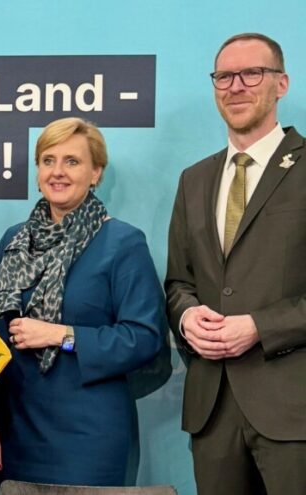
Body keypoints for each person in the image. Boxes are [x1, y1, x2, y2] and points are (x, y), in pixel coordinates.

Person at [0, 117, 166, 486]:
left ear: (96, 173)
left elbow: (144, 338)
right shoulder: (14, 241)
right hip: (16, 431)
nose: (57, 172)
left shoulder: (123, 243)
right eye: (48, 160)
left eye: (72, 162)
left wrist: (61, 334)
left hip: (90, 435)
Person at [165, 33, 306, 495]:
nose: (236, 86)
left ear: (281, 84)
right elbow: (178, 282)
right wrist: (186, 317)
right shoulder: (194, 180)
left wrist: (261, 326)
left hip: (293, 411)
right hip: (213, 411)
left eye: (252, 73)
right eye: (224, 76)